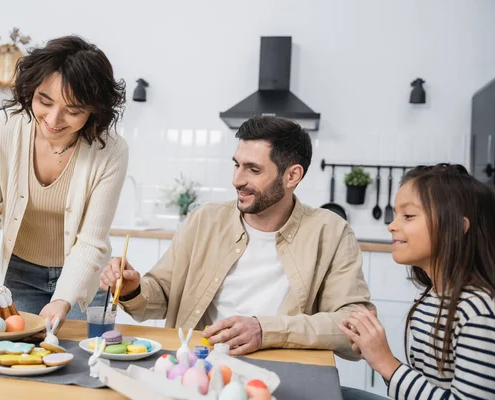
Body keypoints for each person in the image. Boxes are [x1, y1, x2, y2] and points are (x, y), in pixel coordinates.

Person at [100, 116, 373, 358]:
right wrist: (133, 290)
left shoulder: (331, 232)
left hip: (281, 370)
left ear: (292, 176)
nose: (237, 180)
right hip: (197, 365)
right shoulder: (203, 220)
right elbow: (163, 292)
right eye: (236, 165)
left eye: (253, 170)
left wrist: (265, 330)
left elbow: (356, 324)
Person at [0, 35, 128, 329]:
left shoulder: (111, 150)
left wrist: (62, 298)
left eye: (74, 110)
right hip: (20, 272)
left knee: (81, 360)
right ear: (31, 90)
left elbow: (91, 241)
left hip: (82, 281)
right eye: (45, 101)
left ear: (95, 110)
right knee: (16, 356)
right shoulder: (1, 129)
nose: (54, 119)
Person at [339, 164, 495, 399]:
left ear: (457, 228)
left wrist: (387, 363)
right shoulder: (430, 298)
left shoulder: (477, 311)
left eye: (409, 216)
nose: (392, 226)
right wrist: (376, 356)